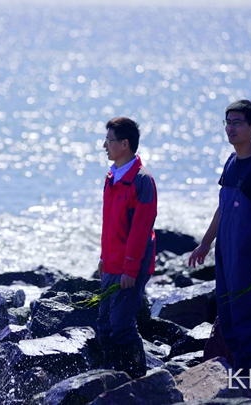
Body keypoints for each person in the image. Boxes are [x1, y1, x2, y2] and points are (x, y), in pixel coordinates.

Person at [188, 100, 251, 405]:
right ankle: (247, 395)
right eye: (227, 122)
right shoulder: (231, 162)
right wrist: (205, 243)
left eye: (237, 122)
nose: (230, 128)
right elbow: (223, 208)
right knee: (229, 326)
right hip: (227, 259)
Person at [97, 117, 157, 379]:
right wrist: (103, 259)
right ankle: (112, 377)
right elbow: (110, 224)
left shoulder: (142, 180)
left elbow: (141, 230)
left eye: (108, 140)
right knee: (105, 325)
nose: (104, 146)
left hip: (130, 269)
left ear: (124, 144)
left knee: (121, 325)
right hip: (112, 265)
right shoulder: (112, 176)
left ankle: (137, 379)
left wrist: (130, 270)